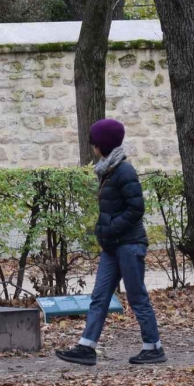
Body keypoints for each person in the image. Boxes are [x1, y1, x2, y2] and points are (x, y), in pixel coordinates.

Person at [56, 118, 166, 367]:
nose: (92, 146)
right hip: (113, 246)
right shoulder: (107, 170)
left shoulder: (124, 171)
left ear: (102, 144)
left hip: (129, 244)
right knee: (99, 297)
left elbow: (136, 209)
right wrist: (103, 231)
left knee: (137, 297)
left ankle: (153, 347)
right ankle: (86, 347)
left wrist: (110, 229)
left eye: (94, 142)